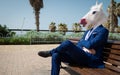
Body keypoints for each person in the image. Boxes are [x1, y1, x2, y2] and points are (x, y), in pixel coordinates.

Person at [38, 24, 109, 75]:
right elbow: (80, 45)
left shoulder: (103, 31)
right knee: (56, 55)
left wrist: (82, 42)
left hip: (89, 59)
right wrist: (84, 47)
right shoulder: (88, 31)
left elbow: (89, 44)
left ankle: (50, 52)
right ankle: (52, 53)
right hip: (80, 56)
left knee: (67, 43)